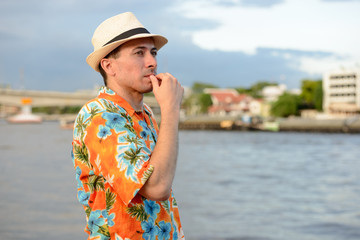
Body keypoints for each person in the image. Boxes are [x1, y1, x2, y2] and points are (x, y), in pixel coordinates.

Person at [72, 12, 185, 240]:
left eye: (153, 52)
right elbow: (156, 188)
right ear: (109, 66)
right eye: (139, 53)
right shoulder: (100, 115)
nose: (152, 62)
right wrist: (171, 109)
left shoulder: (145, 113)